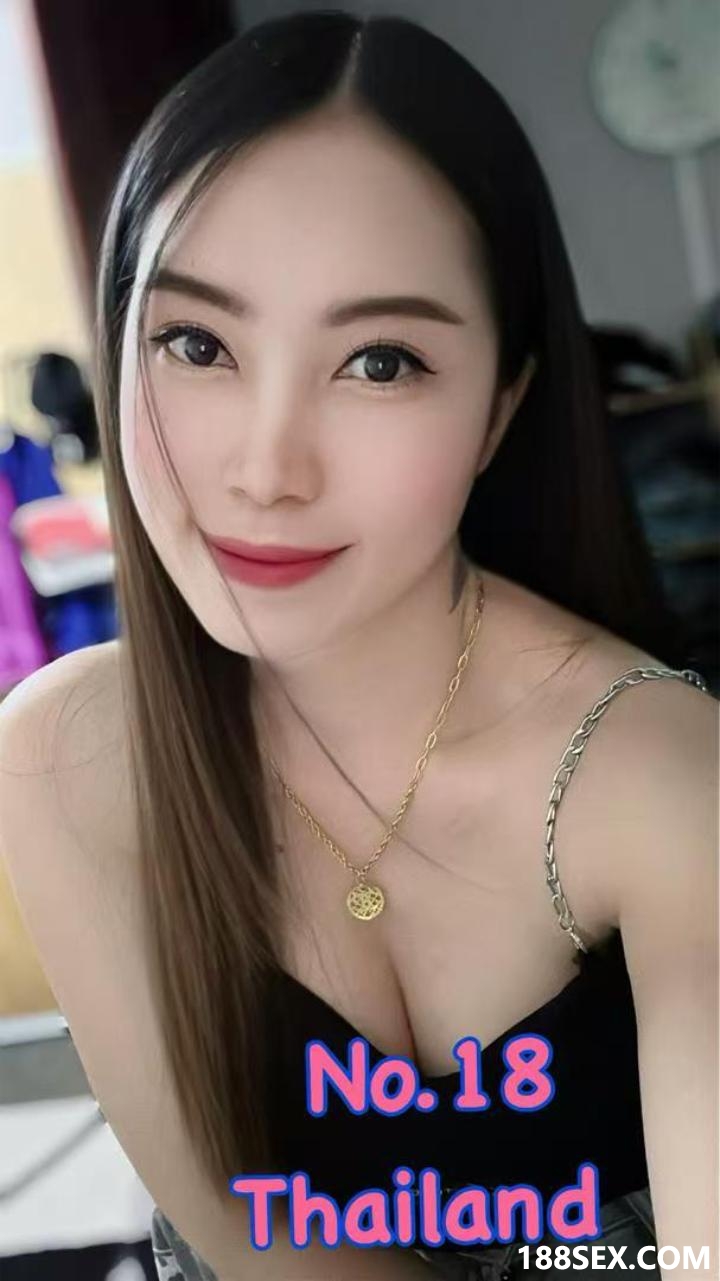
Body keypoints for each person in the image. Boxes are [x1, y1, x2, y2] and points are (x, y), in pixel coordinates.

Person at [0, 10, 717, 1281]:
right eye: (196, 344)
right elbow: (252, 1240)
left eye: (380, 362)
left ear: (500, 406)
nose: (266, 470)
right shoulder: (65, 759)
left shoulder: (658, 774)